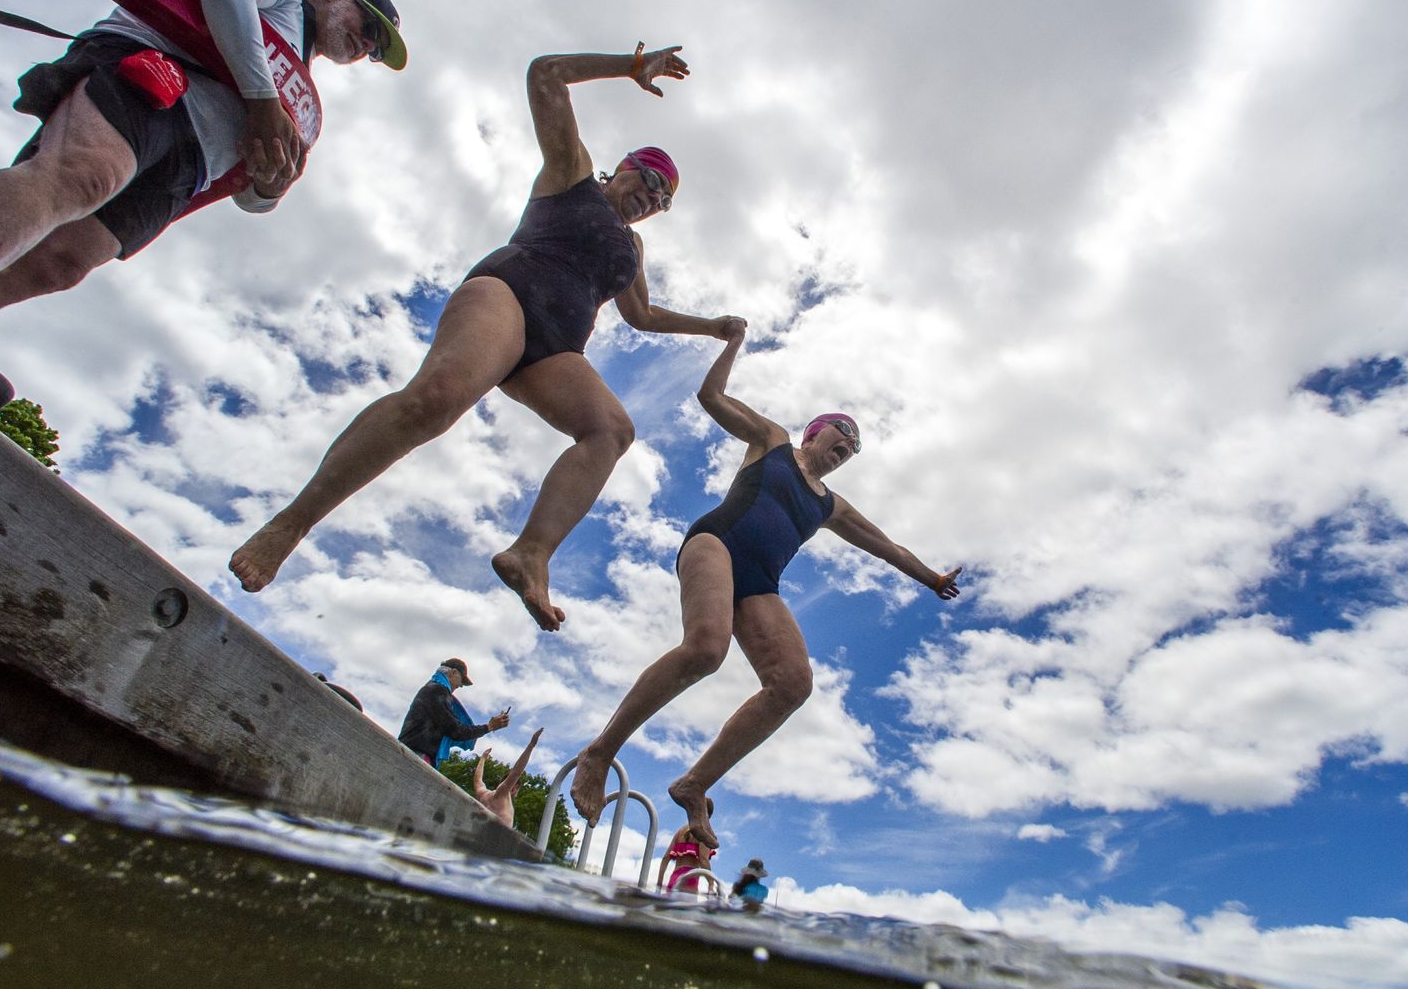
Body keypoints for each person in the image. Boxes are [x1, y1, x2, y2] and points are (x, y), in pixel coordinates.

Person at [229, 42, 740, 636]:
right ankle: (291, 523)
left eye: (663, 197)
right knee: (437, 399)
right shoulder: (571, 173)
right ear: (621, 167)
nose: (651, 197)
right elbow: (544, 74)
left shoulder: (634, 247)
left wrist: (713, 327)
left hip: (556, 348)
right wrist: (629, 67)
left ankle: (532, 553)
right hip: (508, 294)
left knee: (612, 430)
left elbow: (643, 315)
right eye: (648, 179)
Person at [0, 0, 406, 415]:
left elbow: (252, 198)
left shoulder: (301, 98)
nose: (367, 46)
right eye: (369, 25)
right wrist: (259, 97)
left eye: (376, 50)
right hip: (154, 78)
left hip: (191, 163)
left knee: (61, 264)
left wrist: (269, 187)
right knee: (81, 176)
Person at [571, 321, 962, 846]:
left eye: (850, 451)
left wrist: (931, 578)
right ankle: (600, 751)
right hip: (715, 544)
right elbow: (711, 396)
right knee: (706, 649)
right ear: (813, 432)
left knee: (793, 684)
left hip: (760, 583)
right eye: (839, 438)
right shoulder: (772, 442)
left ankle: (695, 783)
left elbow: (886, 546)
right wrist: (732, 344)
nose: (843, 449)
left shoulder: (831, 505)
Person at [397, 658, 509, 767]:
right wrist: (489, 726)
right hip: (414, 757)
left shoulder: (430, 689)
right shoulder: (438, 690)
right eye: (461, 682)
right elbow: (456, 730)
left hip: (407, 752)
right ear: (453, 673)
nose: (459, 686)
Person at [472, 727, 543, 828]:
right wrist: (531, 745)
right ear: (514, 788)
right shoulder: (502, 794)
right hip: (494, 840)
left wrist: (483, 758)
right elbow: (516, 773)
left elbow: (477, 780)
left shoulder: (484, 795)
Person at [655, 800, 717, 894]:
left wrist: (659, 885)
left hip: (674, 879)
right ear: (708, 815)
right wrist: (711, 884)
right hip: (689, 879)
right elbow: (703, 860)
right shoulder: (704, 833)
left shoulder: (680, 831)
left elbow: (665, 858)